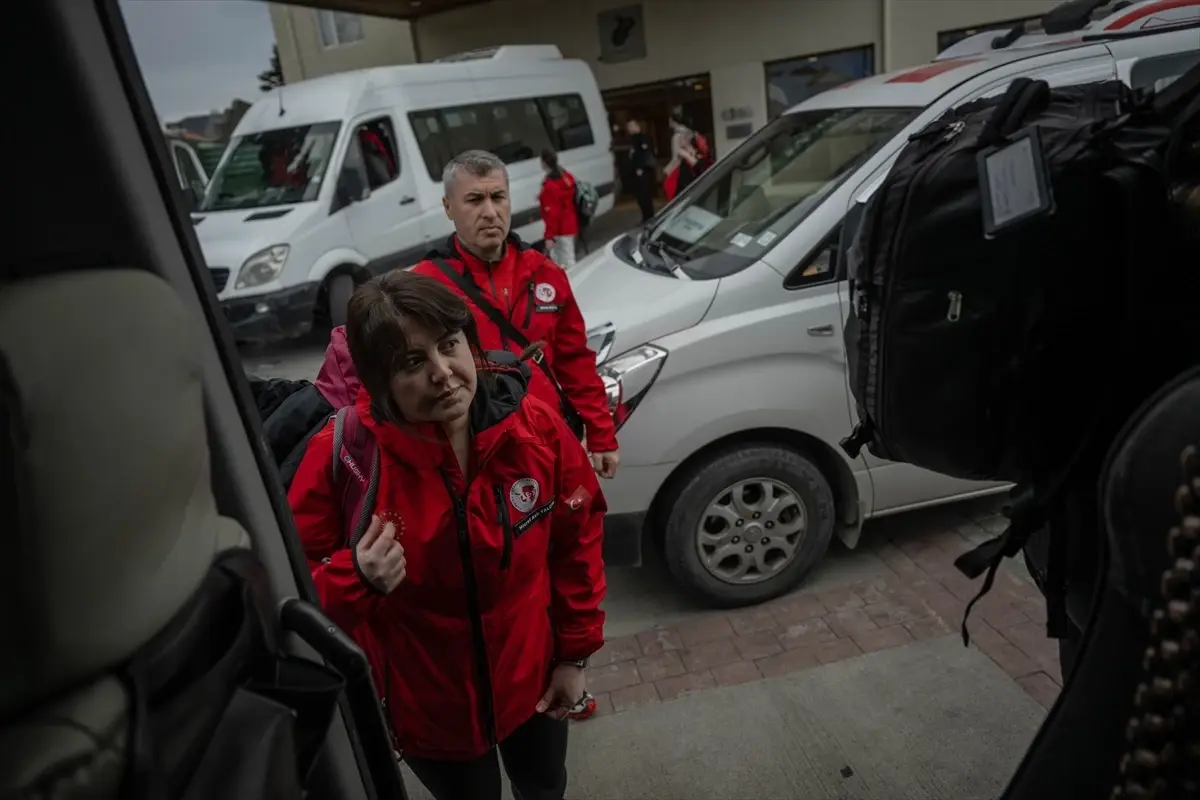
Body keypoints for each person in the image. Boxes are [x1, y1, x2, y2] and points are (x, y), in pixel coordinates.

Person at [288, 270, 607, 800]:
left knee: (545, 788)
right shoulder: (345, 457)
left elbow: (578, 540)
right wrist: (356, 578)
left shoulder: (534, 428)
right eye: (412, 363)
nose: (444, 373)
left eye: (449, 345)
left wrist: (574, 656)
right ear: (377, 381)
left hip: (534, 678)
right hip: (429, 715)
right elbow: (291, 592)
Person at [411, 149, 621, 478]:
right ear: (448, 207)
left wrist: (601, 434)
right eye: (474, 200)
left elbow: (575, 362)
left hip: (548, 444)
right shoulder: (424, 286)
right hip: (475, 458)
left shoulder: (546, 273)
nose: (490, 212)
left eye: (498, 197)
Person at [537, 149, 579, 268]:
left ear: (544, 163)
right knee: (569, 258)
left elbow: (552, 214)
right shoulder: (567, 177)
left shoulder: (549, 186)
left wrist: (549, 236)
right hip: (570, 224)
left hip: (559, 230)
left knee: (559, 263)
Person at [663, 112, 701, 201]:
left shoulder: (677, 136)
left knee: (678, 195)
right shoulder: (691, 132)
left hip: (682, 168)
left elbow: (676, 156)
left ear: (672, 121)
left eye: (669, 121)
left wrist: (668, 170)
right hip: (692, 165)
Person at [624, 119, 657, 222]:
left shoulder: (643, 138)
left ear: (637, 126)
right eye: (628, 127)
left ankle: (649, 216)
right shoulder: (632, 139)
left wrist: (640, 167)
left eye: (631, 126)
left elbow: (643, 153)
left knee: (644, 194)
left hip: (642, 170)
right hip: (635, 171)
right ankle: (645, 215)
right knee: (639, 195)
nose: (629, 129)